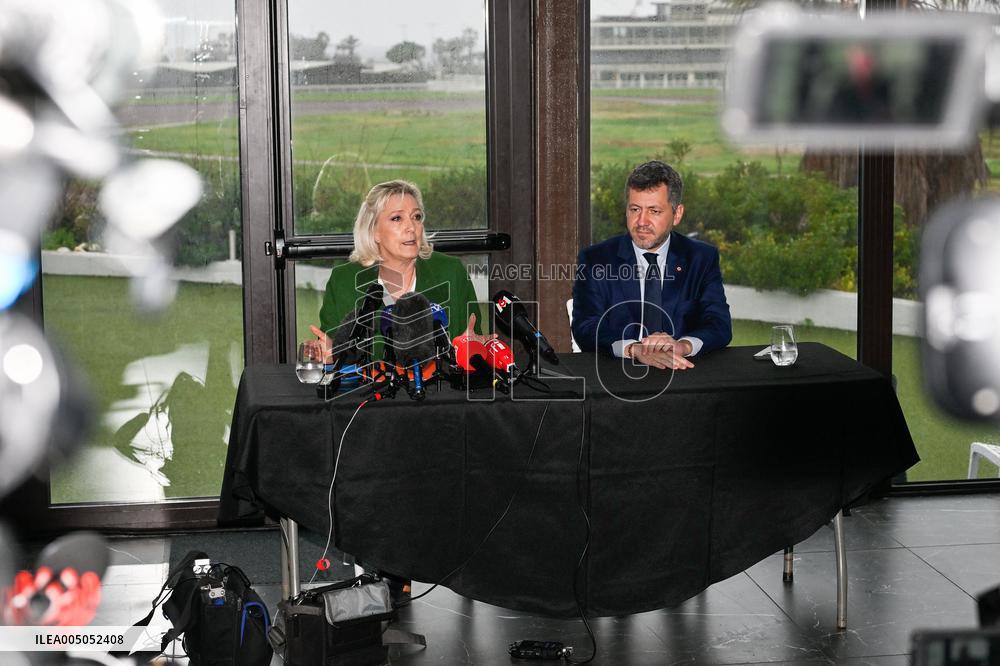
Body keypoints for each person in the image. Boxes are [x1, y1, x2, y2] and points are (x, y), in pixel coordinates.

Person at [571, 160, 731, 370]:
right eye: (635, 209)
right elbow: (586, 327)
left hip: (684, 374)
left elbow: (719, 324)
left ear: (677, 214)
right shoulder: (596, 260)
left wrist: (683, 346)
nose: (641, 221)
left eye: (654, 211)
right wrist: (634, 349)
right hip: (619, 377)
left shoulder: (701, 258)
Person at [308, 179, 488, 362]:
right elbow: (333, 352)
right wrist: (332, 353)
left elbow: (472, 342)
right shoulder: (344, 280)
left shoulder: (451, 272)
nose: (411, 227)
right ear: (373, 231)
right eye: (397, 218)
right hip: (370, 389)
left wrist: (469, 349)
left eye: (416, 217)